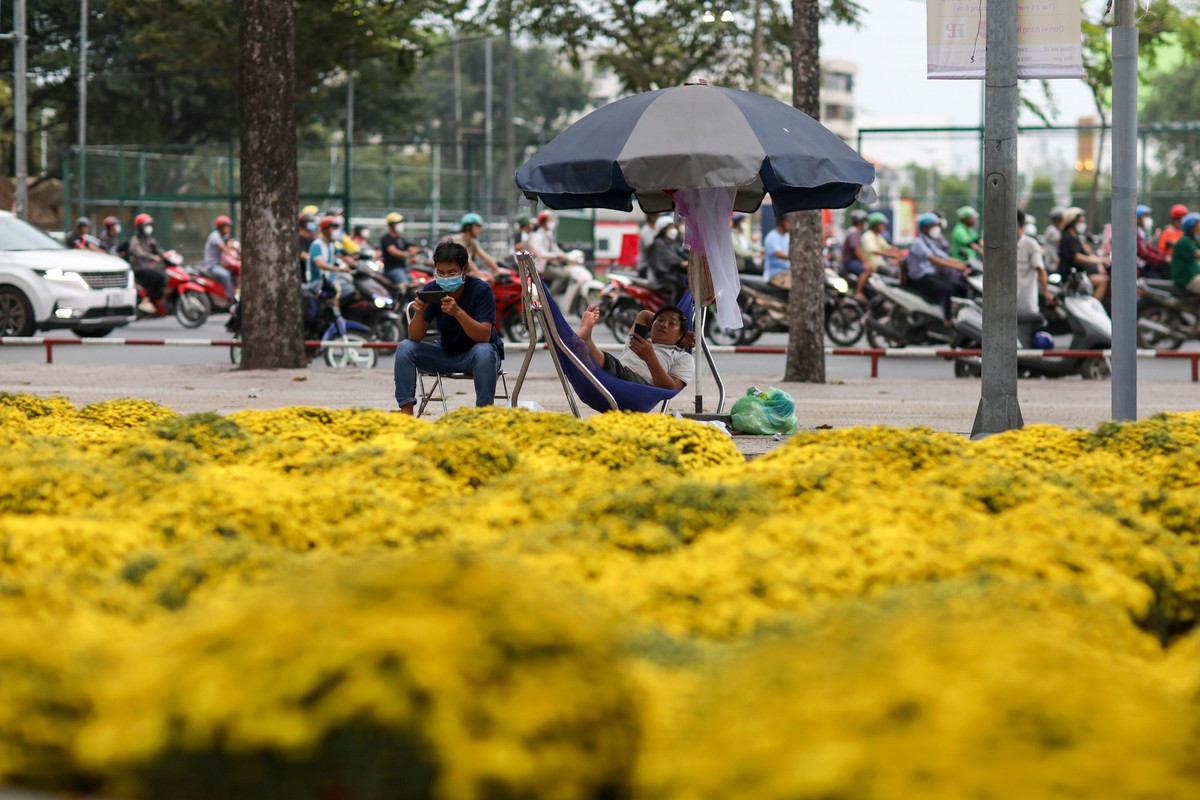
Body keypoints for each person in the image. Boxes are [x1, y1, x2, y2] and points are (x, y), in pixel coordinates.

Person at [393, 240, 503, 414]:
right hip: (445, 353)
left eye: (452, 273)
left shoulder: (481, 290)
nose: (446, 278)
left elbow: (483, 336)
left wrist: (458, 312)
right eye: (441, 273)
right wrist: (419, 312)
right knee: (405, 347)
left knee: (484, 350)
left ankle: (484, 414)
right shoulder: (432, 289)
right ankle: (406, 416)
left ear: (464, 270)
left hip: (477, 357)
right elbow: (415, 337)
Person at [577, 303, 693, 390]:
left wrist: (650, 358)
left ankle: (587, 341)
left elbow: (671, 388)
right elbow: (644, 315)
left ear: (680, 334)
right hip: (609, 375)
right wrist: (682, 334)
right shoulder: (639, 341)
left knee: (614, 367)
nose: (664, 324)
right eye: (660, 320)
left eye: (672, 323)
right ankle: (583, 347)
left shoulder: (682, 357)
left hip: (637, 388)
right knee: (600, 368)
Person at [905, 213, 970, 323]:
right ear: (924, 228)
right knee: (947, 289)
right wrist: (957, 266)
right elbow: (934, 259)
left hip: (930, 276)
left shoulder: (928, 241)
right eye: (933, 226)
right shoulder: (918, 243)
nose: (936, 228)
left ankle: (961, 316)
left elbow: (943, 256)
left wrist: (964, 263)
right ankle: (947, 321)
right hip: (920, 279)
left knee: (961, 287)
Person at [529, 210, 593, 311]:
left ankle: (553, 297)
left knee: (566, 275)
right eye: (550, 220)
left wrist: (566, 255)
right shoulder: (537, 236)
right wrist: (557, 256)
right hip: (540, 266)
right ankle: (547, 299)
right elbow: (541, 254)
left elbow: (555, 249)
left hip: (550, 264)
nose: (552, 223)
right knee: (562, 276)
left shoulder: (548, 234)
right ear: (543, 222)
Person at [1058, 207, 1109, 300]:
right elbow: (1077, 256)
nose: (1082, 224)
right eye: (1080, 222)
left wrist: (1100, 258)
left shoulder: (1075, 236)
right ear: (1072, 222)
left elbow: (1086, 254)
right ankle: (1094, 307)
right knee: (1104, 281)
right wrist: (1099, 261)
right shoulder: (1068, 237)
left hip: (1081, 274)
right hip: (1073, 277)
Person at [856, 212, 902, 299]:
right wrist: (890, 254)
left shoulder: (877, 236)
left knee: (896, 270)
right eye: (881, 224)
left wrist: (899, 251)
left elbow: (886, 247)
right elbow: (873, 250)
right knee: (890, 274)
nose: (883, 227)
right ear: (875, 225)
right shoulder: (868, 236)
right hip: (873, 265)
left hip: (880, 263)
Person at [308, 217, 356, 299]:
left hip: (330, 280)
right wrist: (339, 269)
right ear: (325, 230)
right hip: (318, 282)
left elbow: (343, 256)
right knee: (344, 290)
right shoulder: (317, 245)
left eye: (337, 228)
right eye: (333, 228)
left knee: (350, 285)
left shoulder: (332, 245)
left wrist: (355, 263)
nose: (336, 231)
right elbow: (320, 264)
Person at [645, 215, 688, 304]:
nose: (673, 230)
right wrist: (681, 263)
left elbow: (681, 254)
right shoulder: (659, 244)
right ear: (663, 230)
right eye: (670, 228)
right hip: (661, 278)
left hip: (672, 275)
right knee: (677, 286)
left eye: (673, 227)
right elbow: (669, 260)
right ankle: (673, 309)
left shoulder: (672, 243)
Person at [1016, 210, 1051, 317]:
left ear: (1017, 224)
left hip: (1026, 303)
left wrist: (1047, 294)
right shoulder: (1003, 245)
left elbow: (1040, 270)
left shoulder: (1030, 244)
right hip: (1005, 305)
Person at [128, 214, 164, 314]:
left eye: (150, 225)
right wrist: (152, 257)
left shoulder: (150, 239)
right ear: (140, 226)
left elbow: (158, 250)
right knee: (157, 278)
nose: (149, 227)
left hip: (149, 267)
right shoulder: (135, 239)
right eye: (146, 225)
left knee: (162, 278)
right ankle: (146, 301)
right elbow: (137, 252)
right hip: (139, 268)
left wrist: (167, 255)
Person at [451, 212, 499, 282]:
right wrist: (480, 276)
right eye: (477, 226)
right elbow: (467, 259)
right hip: (450, 277)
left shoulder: (472, 242)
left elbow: (485, 256)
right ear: (468, 227)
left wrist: (497, 270)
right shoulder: (458, 239)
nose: (479, 229)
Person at [203, 216, 238, 299]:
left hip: (219, 264)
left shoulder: (224, 236)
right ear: (221, 227)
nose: (229, 229)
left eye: (229, 226)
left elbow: (231, 243)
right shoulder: (214, 236)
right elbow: (223, 247)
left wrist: (237, 248)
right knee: (226, 275)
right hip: (212, 265)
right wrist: (235, 256)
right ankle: (230, 297)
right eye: (227, 226)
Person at [380, 212, 419, 285]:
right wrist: (407, 254)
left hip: (403, 268)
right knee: (404, 285)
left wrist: (417, 250)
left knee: (416, 282)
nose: (400, 225)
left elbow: (409, 246)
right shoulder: (386, 238)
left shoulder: (400, 239)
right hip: (393, 269)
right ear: (391, 225)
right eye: (397, 223)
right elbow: (392, 250)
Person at [1170, 213, 1200, 300]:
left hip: (1194, 276)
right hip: (1186, 279)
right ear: (1191, 228)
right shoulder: (1184, 242)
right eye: (1199, 224)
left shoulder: (1194, 240)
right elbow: (1198, 254)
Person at [1136, 205, 1169, 278]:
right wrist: (1163, 259)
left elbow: (1149, 248)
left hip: (1143, 265)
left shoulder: (1140, 231)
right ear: (1138, 219)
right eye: (1145, 216)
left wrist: (1166, 255)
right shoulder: (1134, 232)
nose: (1148, 219)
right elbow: (1143, 253)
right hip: (1138, 268)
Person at [840, 209, 868, 283]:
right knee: (867, 270)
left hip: (851, 260)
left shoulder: (855, 231)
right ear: (860, 222)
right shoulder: (854, 232)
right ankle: (859, 290)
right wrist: (865, 263)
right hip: (849, 261)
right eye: (864, 221)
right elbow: (857, 251)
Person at [762, 214, 790, 286]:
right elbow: (778, 253)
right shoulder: (772, 237)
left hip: (788, 273)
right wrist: (796, 257)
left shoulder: (788, 236)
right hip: (775, 275)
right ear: (781, 222)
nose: (790, 224)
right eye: (787, 222)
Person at [1043, 206, 1065, 274]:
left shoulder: (1058, 230)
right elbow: (1061, 242)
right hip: (1051, 263)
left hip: (1055, 263)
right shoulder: (1051, 229)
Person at [298, 214, 318, 281]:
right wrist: (316, 260)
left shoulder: (312, 240)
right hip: (302, 274)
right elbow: (302, 255)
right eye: (309, 222)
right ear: (303, 224)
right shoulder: (298, 239)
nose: (312, 224)